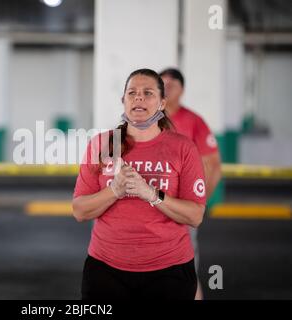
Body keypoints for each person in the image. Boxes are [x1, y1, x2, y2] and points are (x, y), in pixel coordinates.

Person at [72, 68, 206, 300]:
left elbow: (195, 216)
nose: (139, 97)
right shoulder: (104, 144)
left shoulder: (182, 147)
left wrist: (153, 194)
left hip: (169, 272)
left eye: (148, 93)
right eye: (132, 92)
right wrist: (115, 190)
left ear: (162, 103)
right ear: (123, 100)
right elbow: (80, 210)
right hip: (105, 270)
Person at [160, 68, 222, 300]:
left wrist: (198, 202)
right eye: (162, 84)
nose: (166, 88)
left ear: (182, 90)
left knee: (185, 270)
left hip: (179, 208)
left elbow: (213, 166)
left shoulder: (194, 121)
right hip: (148, 208)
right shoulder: (144, 120)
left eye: (172, 84)